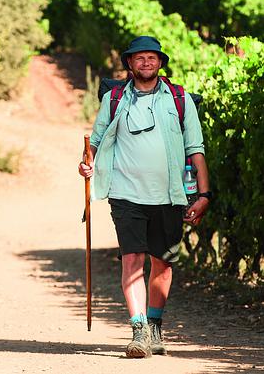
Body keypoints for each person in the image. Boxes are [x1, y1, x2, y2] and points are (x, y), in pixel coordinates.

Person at [78, 36, 211, 358]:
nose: (146, 62)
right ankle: (138, 330)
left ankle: (154, 324)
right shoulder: (114, 98)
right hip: (125, 195)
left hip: (170, 196)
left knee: (162, 264)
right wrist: (86, 164)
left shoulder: (180, 99)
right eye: (139, 58)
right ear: (129, 64)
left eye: (152, 57)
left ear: (161, 63)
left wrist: (204, 194)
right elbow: (94, 142)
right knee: (132, 260)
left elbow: (196, 149)